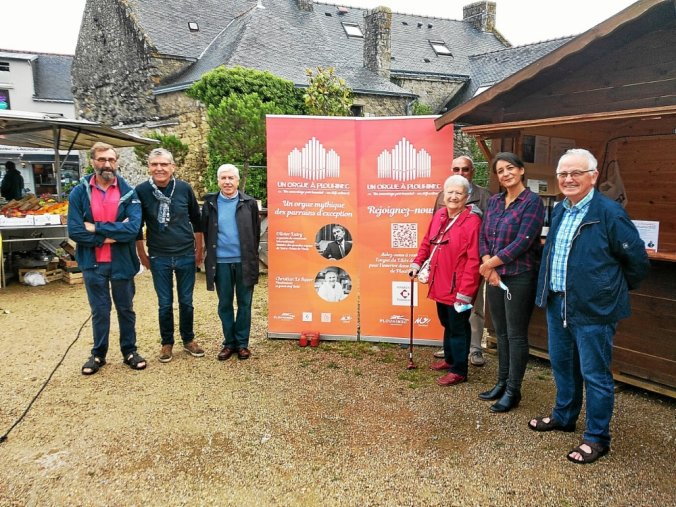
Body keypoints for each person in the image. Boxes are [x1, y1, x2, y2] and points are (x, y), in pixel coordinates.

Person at [528, 149, 649, 464]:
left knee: (595, 374)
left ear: (593, 176)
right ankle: (564, 416)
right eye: (563, 174)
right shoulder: (559, 211)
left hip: (594, 309)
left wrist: (609, 290)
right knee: (562, 365)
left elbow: (636, 260)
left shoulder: (609, 212)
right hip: (559, 304)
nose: (568, 179)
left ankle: (597, 438)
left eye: (576, 173)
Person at [67, 142, 146, 374]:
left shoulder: (128, 192)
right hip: (93, 262)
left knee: (125, 308)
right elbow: (75, 230)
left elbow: (133, 230)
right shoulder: (80, 192)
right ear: (93, 162)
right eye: (102, 160)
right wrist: (111, 236)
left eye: (111, 160)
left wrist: (95, 228)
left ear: (117, 162)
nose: (107, 164)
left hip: (121, 261)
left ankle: (129, 351)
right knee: (100, 309)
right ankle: (98, 354)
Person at [479, 152, 544, 413]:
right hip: (494, 276)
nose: (505, 174)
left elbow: (523, 241)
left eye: (510, 168)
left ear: (521, 170)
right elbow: (484, 235)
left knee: (516, 335)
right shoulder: (494, 202)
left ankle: (513, 390)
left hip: (518, 277)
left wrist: (489, 265)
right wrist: (488, 266)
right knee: (500, 332)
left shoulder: (532, 202)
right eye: (500, 171)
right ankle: (501, 382)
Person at [135, 148, 204, 363]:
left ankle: (189, 339)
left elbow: (197, 221)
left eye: (164, 164)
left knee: (186, 301)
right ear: (149, 167)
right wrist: (142, 255)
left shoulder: (184, 189)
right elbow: (138, 226)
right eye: (155, 164)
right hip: (159, 256)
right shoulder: (141, 191)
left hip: (185, 253)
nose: (159, 168)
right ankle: (167, 343)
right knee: (164, 303)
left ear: (172, 167)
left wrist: (199, 251)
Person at [411, 174, 481, 386]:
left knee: (459, 326)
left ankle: (459, 369)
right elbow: (427, 242)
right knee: (447, 323)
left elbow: (474, 259)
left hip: (459, 286)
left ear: (467, 196)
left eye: (458, 193)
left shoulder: (472, 221)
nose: (453, 196)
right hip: (439, 281)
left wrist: (466, 291)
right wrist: (417, 262)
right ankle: (450, 359)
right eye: (449, 192)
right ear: (443, 195)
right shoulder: (440, 214)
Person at [433, 155, 492, 367]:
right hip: (447, 267)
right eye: (456, 169)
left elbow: (488, 230)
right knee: (450, 312)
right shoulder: (443, 194)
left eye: (465, 169)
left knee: (472, 308)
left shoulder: (484, 195)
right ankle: (453, 350)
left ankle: (475, 349)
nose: (460, 173)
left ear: (472, 172)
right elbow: (435, 226)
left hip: (472, 264)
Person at [202, 164, 260, 361]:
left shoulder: (249, 203)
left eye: (231, 178)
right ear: (218, 181)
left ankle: (242, 344)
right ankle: (229, 343)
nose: (227, 182)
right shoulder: (210, 203)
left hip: (243, 261)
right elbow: (205, 231)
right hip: (220, 262)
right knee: (225, 303)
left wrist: (251, 258)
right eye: (223, 178)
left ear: (237, 181)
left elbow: (255, 233)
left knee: (245, 303)